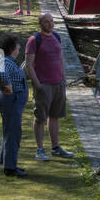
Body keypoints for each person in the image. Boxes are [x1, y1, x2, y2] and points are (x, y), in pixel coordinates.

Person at [25, 12, 75, 161]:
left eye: (52, 21)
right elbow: (29, 65)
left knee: (55, 116)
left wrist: (63, 78)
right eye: (46, 22)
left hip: (58, 84)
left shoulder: (56, 37)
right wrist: (37, 83)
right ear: (40, 24)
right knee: (40, 117)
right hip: (44, 85)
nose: (50, 24)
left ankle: (55, 147)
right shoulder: (34, 40)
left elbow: (60, 58)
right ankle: (40, 149)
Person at [0, 33, 28, 178]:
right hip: (11, 101)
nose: (19, 47)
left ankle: (7, 161)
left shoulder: (9, 61)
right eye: (17, 45)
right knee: (13, 132)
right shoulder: (6, 62)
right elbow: (1, 75)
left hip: (12, 100)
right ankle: (10, 168)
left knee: (9, 131)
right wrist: (10, 91)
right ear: (12, 48)